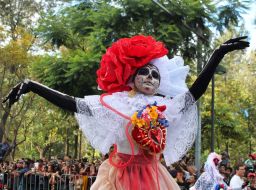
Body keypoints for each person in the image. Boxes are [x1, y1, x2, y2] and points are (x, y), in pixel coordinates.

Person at [3, 35, 249, 190]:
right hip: (117, 175)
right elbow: (73, 103)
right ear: (131, 77)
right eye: (145, 72)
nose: (151, 78)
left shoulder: (164, 106)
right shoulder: (115, 103)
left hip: (154, 175)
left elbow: (194, 92)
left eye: (155, 75)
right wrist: (33, 86)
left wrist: (217, 55)